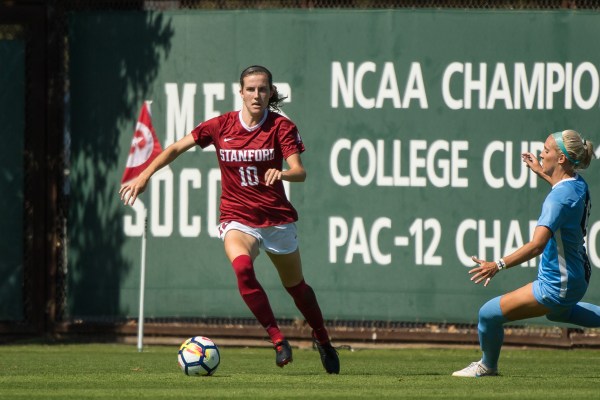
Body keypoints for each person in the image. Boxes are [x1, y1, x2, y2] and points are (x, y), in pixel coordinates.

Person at [119, 65, 340, 374]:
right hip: (238, 218)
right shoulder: (221, 125)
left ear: (270, 93)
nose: (256, 95)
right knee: (242, 268)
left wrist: (284, 172)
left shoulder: (281, 127)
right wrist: (144, 176)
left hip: (276, 220)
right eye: (251, 89)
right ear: (241, 92)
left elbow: (300, 171)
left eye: (263, 89)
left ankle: (323, 340)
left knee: (297, 288)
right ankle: (278, 340)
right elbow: (176, 148)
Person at [452, 130, 597, 377]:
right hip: (577, 277)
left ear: (561, 159)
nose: (542, 153)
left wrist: (497, 265)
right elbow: (562, 188)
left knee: (488, 314)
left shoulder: (558, 200)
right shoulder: (577, 184)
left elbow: (537, 245)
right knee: (560, 314)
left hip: (557, 283)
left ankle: (487, 366)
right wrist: (541, 171)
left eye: (547, 150)